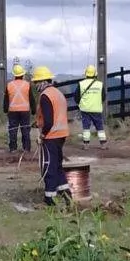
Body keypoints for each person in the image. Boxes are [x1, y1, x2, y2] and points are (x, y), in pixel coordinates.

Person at [32, 65, 72, 206]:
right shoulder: (57, 93)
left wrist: (42, 135)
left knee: (48, 167)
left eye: (36, 82)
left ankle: (50, 199)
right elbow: (54, 115)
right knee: (57, 166)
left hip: (51, 136)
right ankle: (66, 195)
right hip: (61, 134)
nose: (35, 85)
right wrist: (38, 123)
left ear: (42, 81)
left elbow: (49, 121)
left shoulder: (45, 96)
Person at [3, 64, 36, 153]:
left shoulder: (9, 85)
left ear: (14, 75)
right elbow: (31, 98)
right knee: (25, 129)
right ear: (22, 75)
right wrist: (34, 110)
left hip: (13, 111)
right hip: (25, 111)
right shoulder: (27, 85)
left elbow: (6, 99)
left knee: (13, 130)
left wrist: (5, 109)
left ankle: (13, 148)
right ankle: (26, 148)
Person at [74, 65, 107, 150]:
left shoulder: (81, 84)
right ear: (95, 74)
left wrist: (80, 104)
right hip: (96, 109)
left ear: (86, 74)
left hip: (85, 109)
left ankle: (86, 145)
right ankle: (103, 144)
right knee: (100, 127)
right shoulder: (100, 84)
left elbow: (76, 97)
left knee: (86, 127)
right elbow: (103, 97)